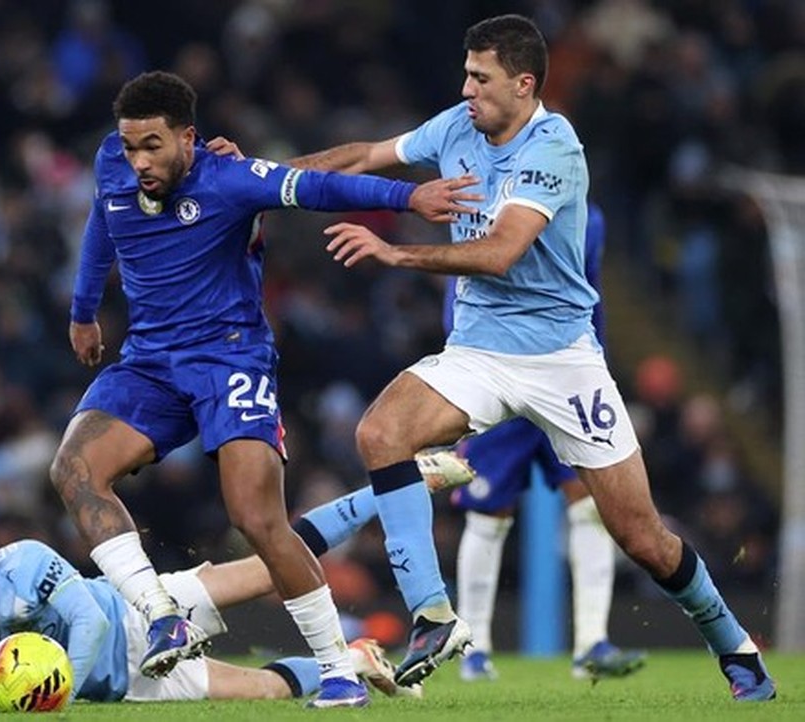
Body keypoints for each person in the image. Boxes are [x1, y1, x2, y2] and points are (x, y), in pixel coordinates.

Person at [280, 14, 775, 699]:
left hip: (561, 361)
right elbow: (366, 155)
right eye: (465, 75)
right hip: (478, 352)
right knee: (380, 432)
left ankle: (734, 644)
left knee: (642, 537)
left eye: (480, 79)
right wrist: (263, 179)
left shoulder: (555, 146)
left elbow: (501, 251)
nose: (466, 90)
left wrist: (397, 252)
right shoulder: (458, 125)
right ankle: (433, 615)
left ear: (523, 83)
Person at [49, 70, 478, 707]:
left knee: (256, 520)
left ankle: (337, 668)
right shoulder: (114, 161)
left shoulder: (229, 179)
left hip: (230, 360)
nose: (138, 160)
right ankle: (161, 612)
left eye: (153, 146)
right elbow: (100, 227)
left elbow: (323, 186)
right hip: (150, 364)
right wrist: (84, 311)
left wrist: (407, 200)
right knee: (74, 468)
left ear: (189, 138)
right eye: (130, 145)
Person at [0, 518, 418, 709]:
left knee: (268, 565)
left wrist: (54, 688)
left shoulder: (23, 563)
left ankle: (380, 494)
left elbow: (89, 617)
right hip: (128, 685)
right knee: (266, 692)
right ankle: (355, 660)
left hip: (141, 613)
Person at [438, 204, 645, 682]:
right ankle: (475, 647)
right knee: (488, 512)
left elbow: (591, 298)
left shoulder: (589, 220)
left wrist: (599, 371)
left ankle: (591, 642)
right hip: (497, 375)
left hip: (564, 382)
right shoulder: (480, 213)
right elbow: (460, 287)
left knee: (589, 502)